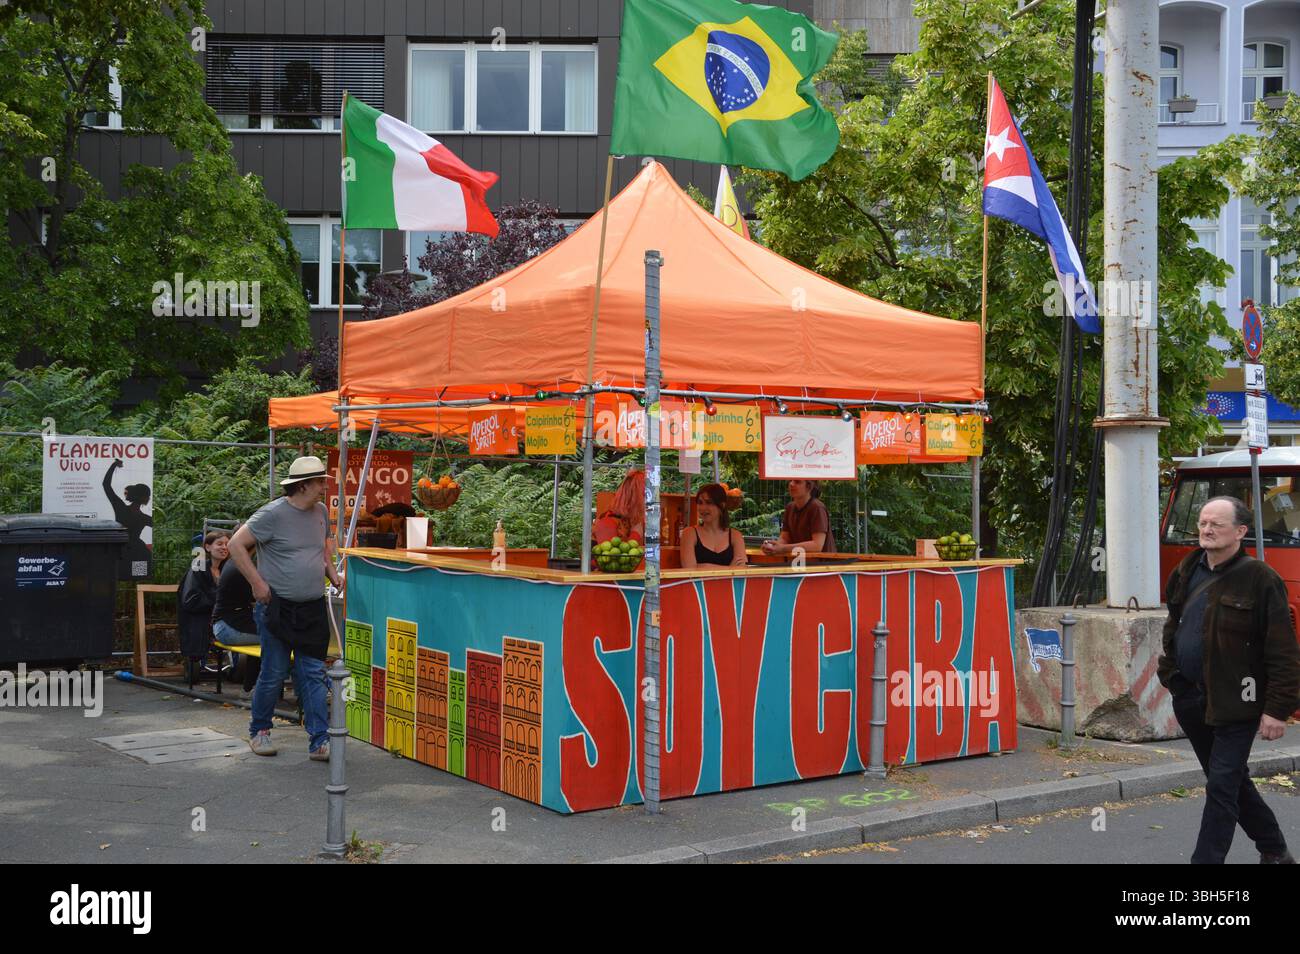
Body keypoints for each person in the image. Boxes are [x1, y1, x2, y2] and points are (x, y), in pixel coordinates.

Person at [1157, 495, 1300, 864]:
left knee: (1221, 784)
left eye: (1216, 524)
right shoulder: (1188, 569)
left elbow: (1283, 650)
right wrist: (1170, 674)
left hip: (1239, 700)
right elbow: (1175, 624)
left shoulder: (1261, 579)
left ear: (1240, 531)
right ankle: (1275, 849)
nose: (1206, 530)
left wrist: (1277, 710)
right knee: (1231, 779)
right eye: (1203, 523)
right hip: (1190, 697)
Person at [228, 455, 343, 761]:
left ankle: (319, 740)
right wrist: (257, 583)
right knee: (274, 672)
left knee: (314, 673)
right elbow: (235, 546)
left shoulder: (320, 512)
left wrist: (332, 574)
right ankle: (260, 731)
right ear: (303, 485)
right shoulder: (272, 514)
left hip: (312, 607)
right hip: (276, 607)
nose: (324, 487)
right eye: (320, 482)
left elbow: (322, 550)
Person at [212, 553, 263, 697]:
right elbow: (262, 595)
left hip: (225, 625)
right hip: (229, 629)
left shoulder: (234, 562)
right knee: (275, 638)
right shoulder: (241, 567)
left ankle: (250, 687)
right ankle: (256, 689)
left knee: (267, 632)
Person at [178, 531, 228, 670]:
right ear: (207, 547)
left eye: (227, 544)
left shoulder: (228, 570)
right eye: (219, 544)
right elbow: (190, 600)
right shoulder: (197, 568)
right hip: (200, 617)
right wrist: (218, 598)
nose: (224, 547)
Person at [761, 479, 836, 558]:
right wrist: (772, 547)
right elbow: (785, 538)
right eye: (790, 481)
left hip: (824, 565)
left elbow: (817, 546)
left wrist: (782, 548)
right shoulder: (790, 507)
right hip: (800, 563)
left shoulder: (817, 507)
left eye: (797, 482)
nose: (791, 484)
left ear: (809, 487)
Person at [680, 484, 747, 569]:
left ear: (722, 505)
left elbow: (741, 569)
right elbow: (689, 570)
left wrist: (703, 566)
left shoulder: (736, 536)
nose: (703, 508)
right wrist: (729, 568)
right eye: (700, 503)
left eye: (709, 503)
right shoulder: (689, 533)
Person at [103, 458, 152, 569]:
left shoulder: (120, 508)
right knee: (137, 573)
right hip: (136, 552)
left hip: (120, 550)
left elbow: (106, 485)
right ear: (144, 498)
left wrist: (114, 465)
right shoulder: (144, 518)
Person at [593, 469, 646, 546]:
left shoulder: (632, 520)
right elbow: (613, 556)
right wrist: (636, 535)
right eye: (645, 496)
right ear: (635, 498)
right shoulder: (607, 522)